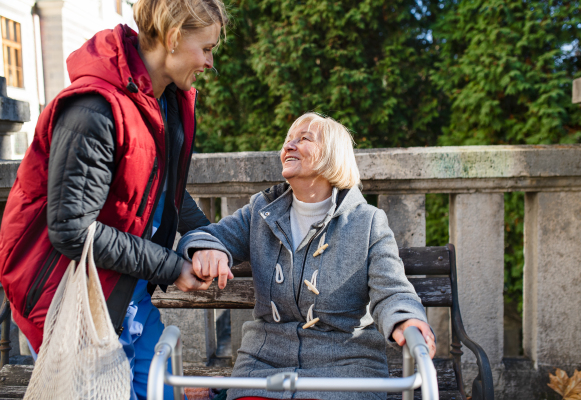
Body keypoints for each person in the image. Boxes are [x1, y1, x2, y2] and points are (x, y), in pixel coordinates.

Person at [0, 0, 229, 398]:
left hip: (127, 290)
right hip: (71, 298)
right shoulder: (94, 109)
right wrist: (172, 266)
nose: (210, 63)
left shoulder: (162, 99)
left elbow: (159, 191)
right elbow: (72, 231)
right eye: (206, 48)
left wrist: (213, 239)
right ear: (173, 38)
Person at [177, 113, 436, 400]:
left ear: (332, 155)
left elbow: (392, 291)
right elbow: (205, 236)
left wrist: (407, 321)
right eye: (288, 140)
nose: (288, 146)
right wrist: (209, 249)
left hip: (344, 368)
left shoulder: (367, 222)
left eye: (303, 139)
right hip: (264, 367)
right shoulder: (261, 211)